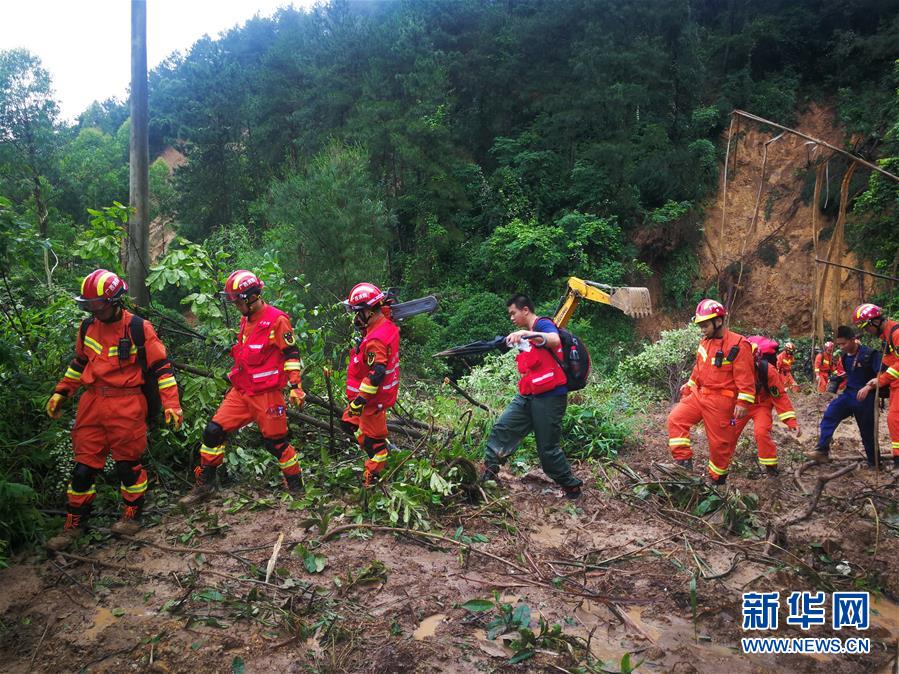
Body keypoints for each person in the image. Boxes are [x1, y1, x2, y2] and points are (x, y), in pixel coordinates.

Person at [45, 269, 183, 550]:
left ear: (114, 301)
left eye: (97, 304)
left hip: (127, 403)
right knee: (83, 469)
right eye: (88, 305)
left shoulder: (138, 328)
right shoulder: (87, 328)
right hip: (92, 404)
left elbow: (163, 369)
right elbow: (78, 364)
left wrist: (171, 404)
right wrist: (62, 392)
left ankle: (132, 516)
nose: (93, 310)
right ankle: (74, 524)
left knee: (127, 466)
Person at [180, 270, 305, 505]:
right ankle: (206, 485)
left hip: (267, 395)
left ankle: (297, 487)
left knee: (276, 444)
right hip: (242, 391)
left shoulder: (277, 320)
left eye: (237, 301)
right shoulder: (245, 320)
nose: (235, 305)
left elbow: (291, 355)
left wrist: (295, 386)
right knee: (213, 431)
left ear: (250, 297)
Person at [481, 294, 583, 499]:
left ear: (525, 310)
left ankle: (572, 488)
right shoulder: (524, 335)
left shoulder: (543, 324)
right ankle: (488, 474)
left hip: (550, 397)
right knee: (503, 427)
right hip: (528, 395)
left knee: (547, 449)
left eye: (513, 313)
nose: (511, 317)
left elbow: (553, 340)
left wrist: (527, 334)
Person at [667, 299, 756, 486]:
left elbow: (746, 379)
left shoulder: (739, 344)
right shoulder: (704, 342)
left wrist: (743, 403)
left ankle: (717, 481)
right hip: (699, 394)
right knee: (676, 418)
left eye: (705, 325)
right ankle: (683, 465)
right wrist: (689, 384)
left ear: (719, 321)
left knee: (719, 445)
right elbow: (699, 368)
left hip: (721, 400)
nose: (702, 329)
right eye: (700, 325)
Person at [340, 282, 400, 486]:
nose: (356, 318)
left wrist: (359, 401)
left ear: (368, 311)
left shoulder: (376, 339)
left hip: (370, 402)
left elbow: (377, 374)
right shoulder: (384, 324)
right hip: (369, 400)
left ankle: (372, 481)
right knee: (348, 423)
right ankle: (378, 444)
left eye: (358, 312)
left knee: (375, 448)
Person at [806, 325, 881, 467]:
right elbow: (849, 373)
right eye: (838, 344)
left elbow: (881, 375)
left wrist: (868, 386)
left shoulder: (870, 354)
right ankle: (822, 451)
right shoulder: (845, 357)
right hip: (849, 394)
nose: (841, 347)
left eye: (843, 343)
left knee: (867, 432)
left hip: (866, 398)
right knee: (830, 413)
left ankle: (874, 463)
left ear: (853, 340)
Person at [733, 336, 801, 476]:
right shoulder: (734, 368)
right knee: (729, 430)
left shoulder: (768, 371)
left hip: (761, 406)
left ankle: (771, 469)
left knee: (761, 432)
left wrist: (791, 421)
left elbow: (779, 396)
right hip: (741, 406)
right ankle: (721, 465)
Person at [854, 303, 899, 468]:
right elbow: (887, 362)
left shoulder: (896, 333)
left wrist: (880, 381)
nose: (867, 331)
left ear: (875, 322)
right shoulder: (886, 336)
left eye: (867, 327)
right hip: (895, 385)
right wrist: (876, 380)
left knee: (895, 419)